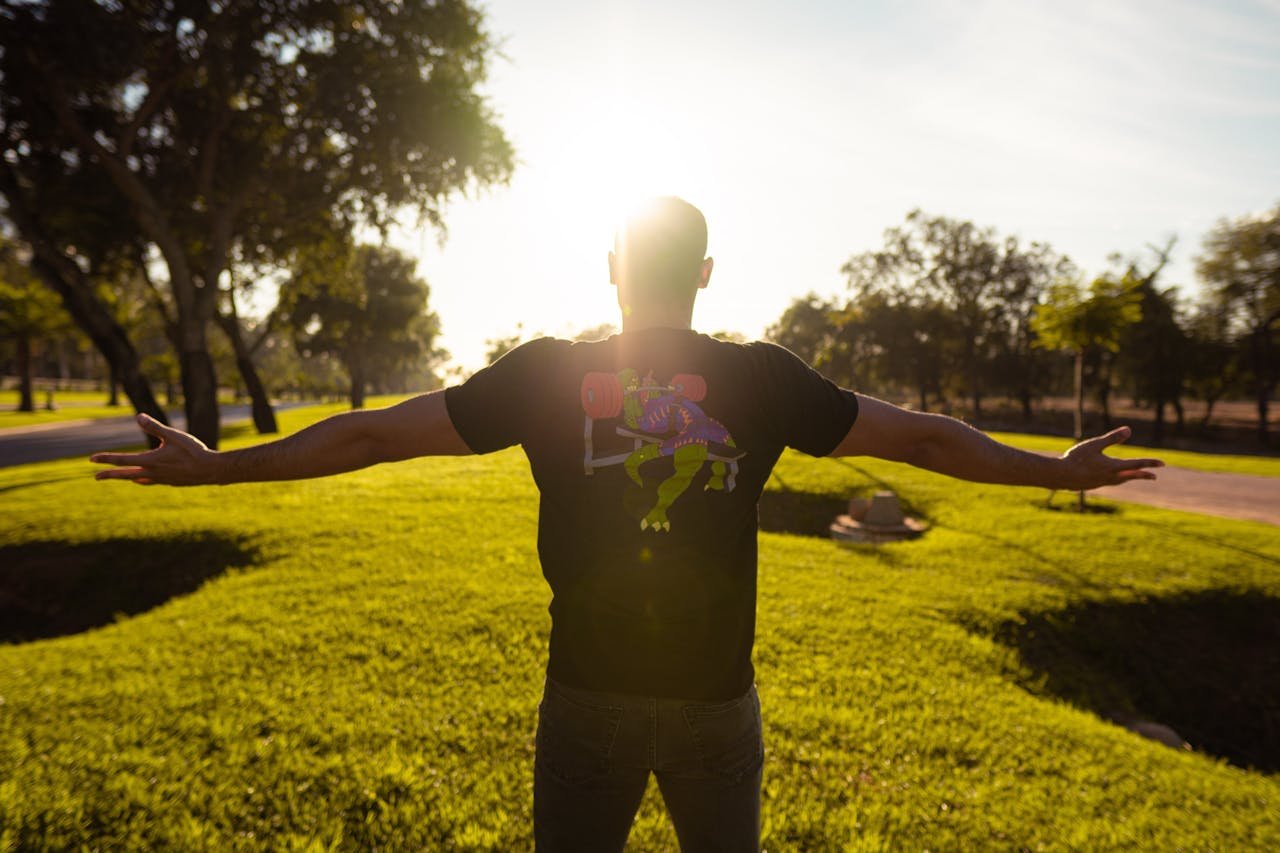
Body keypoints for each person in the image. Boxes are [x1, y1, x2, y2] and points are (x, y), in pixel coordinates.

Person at [91, 197, 1162, 851]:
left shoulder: (544, 377)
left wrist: (217, 469)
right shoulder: (761, 379)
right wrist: (1051, 470)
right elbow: (924, 437)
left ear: (611, 268)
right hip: (712, 708)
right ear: (702, 274)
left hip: (588, 700)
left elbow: (368, 434)